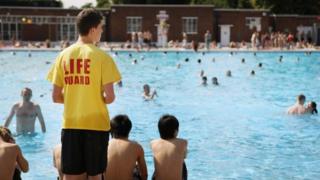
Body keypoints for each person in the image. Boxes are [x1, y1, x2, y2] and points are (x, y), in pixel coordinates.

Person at [47, 9, 121, 180]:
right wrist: (94, 98)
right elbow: (110, 97)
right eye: (101, 27)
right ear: (93, 29)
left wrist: (76, 98)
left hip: (71, 124)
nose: (102, 31)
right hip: (96, 125)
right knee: (95, 176)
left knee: (70, 176)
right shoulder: (103, 57)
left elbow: (55, 96)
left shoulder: (63, 56)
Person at [105, 115, 147, 180]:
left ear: (111, 130)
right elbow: (144, 175)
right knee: (136, 167)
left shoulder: (104, 145)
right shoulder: (137, 147)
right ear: (129, 130)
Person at [151, 115, 188, 180]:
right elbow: (184, 156)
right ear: (176, 131)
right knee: (182, 163)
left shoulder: (153, 143)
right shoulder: (183, 142)